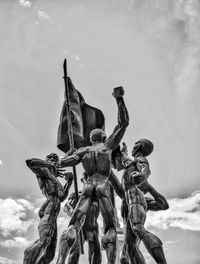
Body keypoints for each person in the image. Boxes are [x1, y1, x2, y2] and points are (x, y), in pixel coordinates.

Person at [56, 87, 129, 264]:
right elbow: (123, 123)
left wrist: (70, 154)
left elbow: (63, 163)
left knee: (73, 225)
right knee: (110, 226)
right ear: (104, 137)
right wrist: (119, 99)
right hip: (103, 186)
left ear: (90, 139)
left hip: (88, 187)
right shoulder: (107, 146)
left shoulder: (83, 150)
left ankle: (60, 261)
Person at [119, 141, 168, 264]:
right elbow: (125, 160)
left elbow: (145, 168)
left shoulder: (140, 159)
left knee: (138, 228)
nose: (133, 146)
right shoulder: (131, 163)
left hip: (134, 198)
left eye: (135, 144)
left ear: (139, 146)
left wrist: (143, 175)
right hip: (129, 203)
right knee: (130, 248)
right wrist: (123, 152)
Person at [23, 153, 73, 264]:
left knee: (50, 254)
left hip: (54, 216)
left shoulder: (56, 181)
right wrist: (49, 164)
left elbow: (61, 197)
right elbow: (29, 162)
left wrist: (69, 182)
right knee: (44, 241)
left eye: (54, 158)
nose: (52, 159)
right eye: (49, 158)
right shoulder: (43, 172)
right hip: (49, 212)